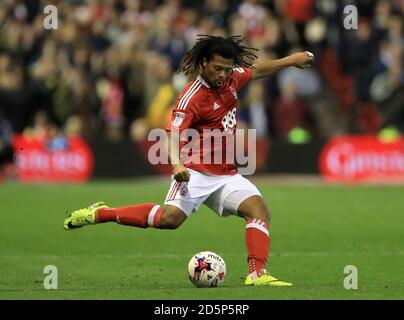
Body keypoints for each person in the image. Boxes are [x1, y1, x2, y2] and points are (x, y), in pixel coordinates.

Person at [64, 35, 314, 287]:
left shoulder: (231, 80)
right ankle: (100, 213)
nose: (223, 75)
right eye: (217, 69)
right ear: (204, 63)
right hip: (194, 171)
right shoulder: (191, 97)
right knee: (169, 220)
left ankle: (256, 274)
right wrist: (177, 165)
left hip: (225, 174)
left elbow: (257, 70)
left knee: (259, 210)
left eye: (227, 69)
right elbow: (172, 135)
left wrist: (292, 60)